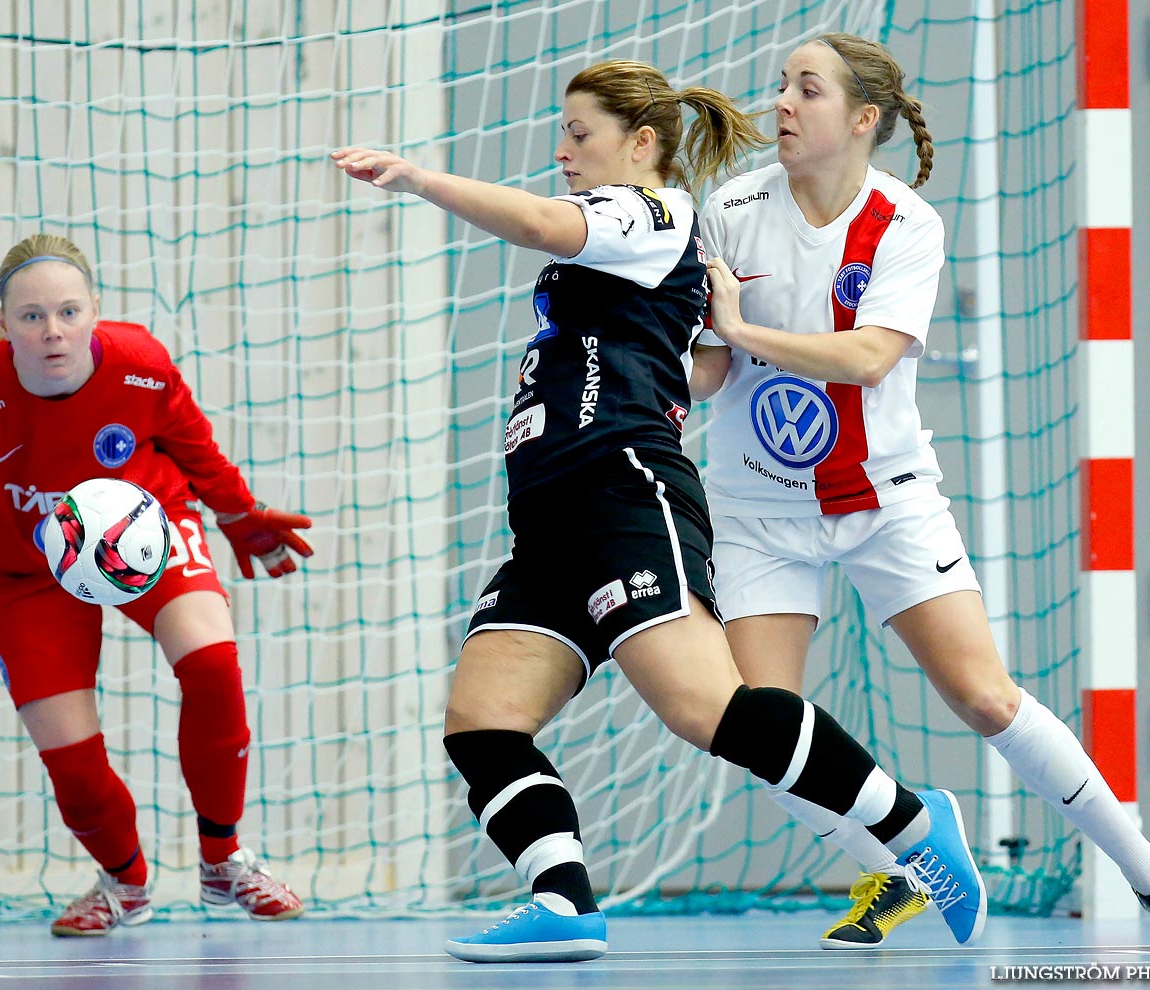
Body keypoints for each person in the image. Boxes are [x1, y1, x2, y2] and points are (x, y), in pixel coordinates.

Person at [335, 59, 988, 965]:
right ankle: (563, 904)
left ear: (641, 145)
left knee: (708, 709)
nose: (563, 152)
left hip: (624, 492)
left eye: (580, 135)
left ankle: (917, 833)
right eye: (561, 135)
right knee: (481, 718)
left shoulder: (652, 212)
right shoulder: (611, 244)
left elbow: (537, 221)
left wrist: (419, 177)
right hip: (551, 517)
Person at [692, 32, 1150, 951]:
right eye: (781, 87)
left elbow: (870, 358)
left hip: (888, 500)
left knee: (987, 698)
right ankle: (908, 852)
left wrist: (743, 328)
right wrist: (660, 363)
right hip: (762, 510)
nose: (782, 106)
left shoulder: (904, 222)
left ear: (863, 119)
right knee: (762, 730)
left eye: (807, 90)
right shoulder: (732, 208)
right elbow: (715, 365)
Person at [0, 233, 315, 936]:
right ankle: (126, 883)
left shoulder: (140, 363)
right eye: (32, 316)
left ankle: (223, 859)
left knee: (214, 667)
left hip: (148, 529)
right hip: (23, 571)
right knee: (73, 762)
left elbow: (194, 444)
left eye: (70, 312)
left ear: (96, 311)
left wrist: (237, 513)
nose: (53, 331)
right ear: (3, 321)